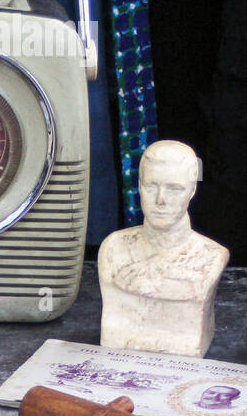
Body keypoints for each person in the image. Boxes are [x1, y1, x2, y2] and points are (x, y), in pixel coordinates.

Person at [98, 140, 229, 357]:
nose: (161, 200)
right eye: (151, 186)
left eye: (174, 189)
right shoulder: (113, 249)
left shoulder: (211, 257)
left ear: (192, 190)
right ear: (139, 186)